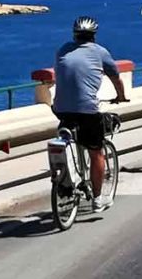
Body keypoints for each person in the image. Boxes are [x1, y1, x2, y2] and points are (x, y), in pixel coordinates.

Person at [53, 16, 129, 211]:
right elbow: (115, 78)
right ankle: (97, 198)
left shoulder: (63, 50)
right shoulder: (100, 52)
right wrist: (120, 96)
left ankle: (66, 180)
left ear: (74, 35)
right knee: (96, 153)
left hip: (61, 109)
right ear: (94, 35)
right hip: (87, 110)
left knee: (67, 140)